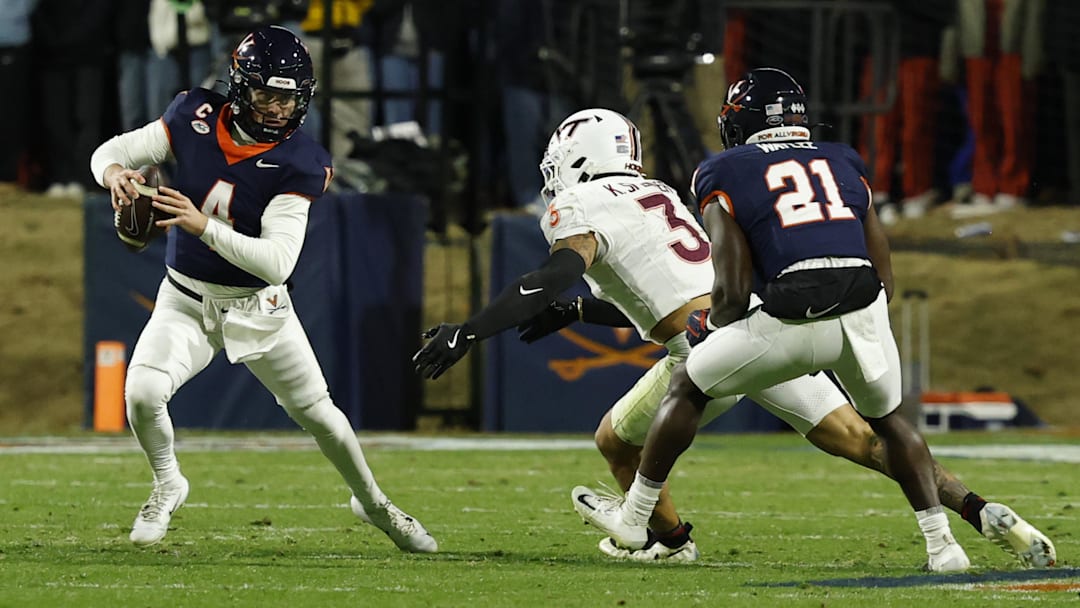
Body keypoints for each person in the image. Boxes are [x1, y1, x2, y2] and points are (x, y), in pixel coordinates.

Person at [412, 105, 1056, 568]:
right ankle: (983, 512)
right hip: (761, 329)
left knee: (615, 439)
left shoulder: (582, 206)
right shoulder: (656, 192)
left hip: (714, 347)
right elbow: (669, 294)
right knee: (865, 438)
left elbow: (553, 273)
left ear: (576, 158)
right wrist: (580, 312)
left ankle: (663, 539)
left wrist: (468, 332)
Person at [88, 25, 436, 553]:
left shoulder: (301, 161)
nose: (276, 108)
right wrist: (115, 172)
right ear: (239, 86)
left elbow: (277, 262)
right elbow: (111, 150)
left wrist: (200, 225)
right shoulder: (192, 116)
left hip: (258, 307)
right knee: (141, 393)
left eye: (287, 97)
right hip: (184, 297)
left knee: (322, 416)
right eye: (266, 94)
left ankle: (373, 502)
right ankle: (167, 483)